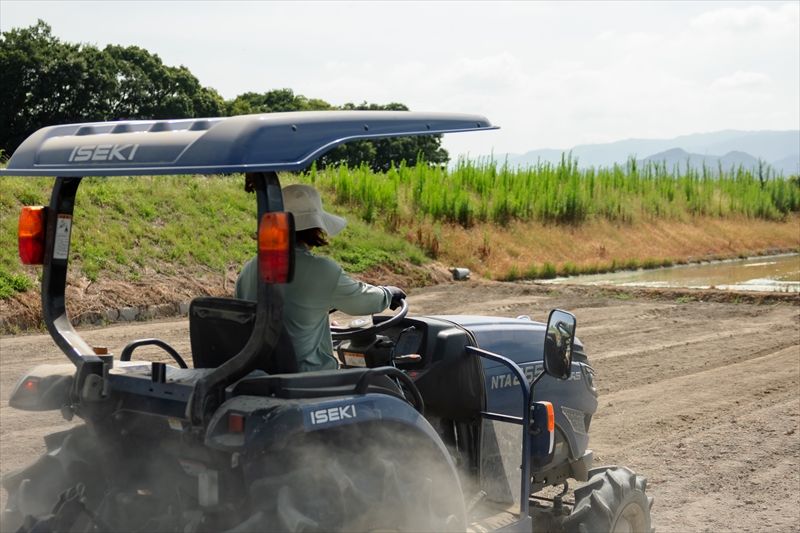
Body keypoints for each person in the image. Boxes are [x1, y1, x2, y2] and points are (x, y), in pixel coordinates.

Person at [234, 184, 406, 373]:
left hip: (258, 374)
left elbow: (283, 317)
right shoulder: (321, 269)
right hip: (305, 379)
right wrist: (387, 293)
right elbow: (364, 301)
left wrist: (318, 323)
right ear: (315, 228)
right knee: (382, 385)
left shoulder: (250, 268)